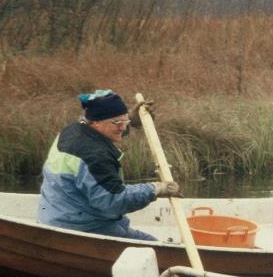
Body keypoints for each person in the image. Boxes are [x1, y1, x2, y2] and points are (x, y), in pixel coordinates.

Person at [38, 89, 182, 241]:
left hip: (56, 215)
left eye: (125, 121)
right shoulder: (95, 156)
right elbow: (112, 201)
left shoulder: (72, 131)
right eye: (117, 123)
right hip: (79, 228)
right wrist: (155, 189)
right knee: (154, 247)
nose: (122, 127)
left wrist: (131, 121)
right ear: (95, 122)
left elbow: (108, 129)